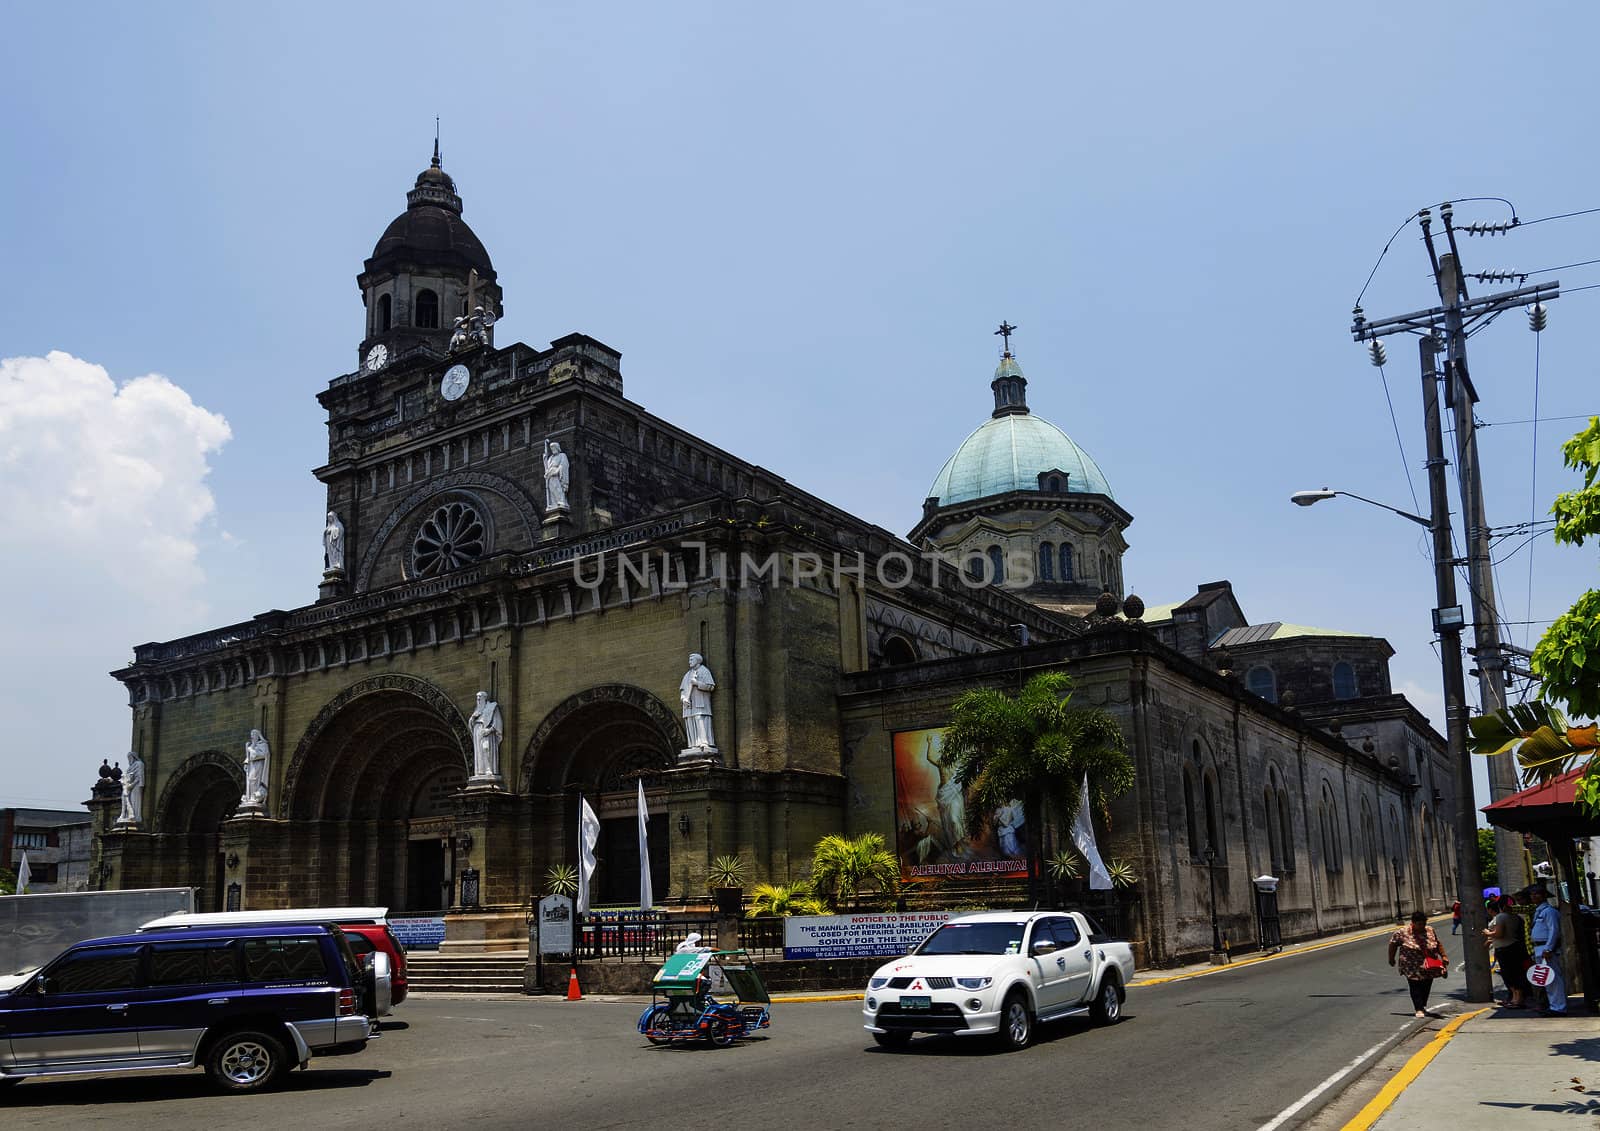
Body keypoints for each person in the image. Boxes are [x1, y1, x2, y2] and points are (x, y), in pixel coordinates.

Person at [1387, 911, 1448, 1018]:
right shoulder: (1402, 932)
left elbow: (1438, 943)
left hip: (1429, 963)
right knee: (1415, 985)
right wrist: (1391, 958)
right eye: (1419, 924)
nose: (1422, 926)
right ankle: (1418, 1008)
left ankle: (1422, 1005)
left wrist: (1443, 956)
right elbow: (1393, 944)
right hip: (1411, 964)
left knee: (1426, 984)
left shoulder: (1430, 930)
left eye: (1423, 924)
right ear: (1413, 923)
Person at [1524, 883, 1567, 1016]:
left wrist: (1549, 948)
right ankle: (1554, 1005)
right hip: (1539, 948)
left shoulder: (1549, 911)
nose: (1534, 896)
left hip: (1546, 949)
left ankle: (1559, 1007)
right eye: (1532, 894)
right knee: (1547, 980)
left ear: (1543, 896)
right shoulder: (1539, 911)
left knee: (1553, 979)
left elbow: (1554, 931)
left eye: (1537, 894)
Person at [1483, 893, 1529, 1009]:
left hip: (1505, 949)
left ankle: (1517, 999)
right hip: (1514, 947)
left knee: (1510, 974)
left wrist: (1488, 933)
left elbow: (1499, 934)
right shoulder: (1516, 917)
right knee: (1516, 973)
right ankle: (1515, 998)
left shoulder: (1501, 917)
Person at [679, 653, 716, 750]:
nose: (689, 662)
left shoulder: (704, 671)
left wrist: (697, 683)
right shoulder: (687, 674)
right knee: (690, 721)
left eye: (691, 660)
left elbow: (710, 686)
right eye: (689, 660)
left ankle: (704, 742)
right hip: (689, 704)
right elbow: (683, 690)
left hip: (700, 702)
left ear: (698, 660)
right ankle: (693, 744)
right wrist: (683, 698)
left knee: (700, 719)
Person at [468, 690, 504, 779]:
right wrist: (473, 718)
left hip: (487, 731)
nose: (478, 700)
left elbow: (497, 722)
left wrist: (489, 730)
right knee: (479, 752)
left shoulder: (492, 707)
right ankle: (480, 771)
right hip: (477, 731)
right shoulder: (477, 710)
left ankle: (489, 768)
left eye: (480, 697)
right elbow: (470, 723)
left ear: (485, 698)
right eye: (477, 698)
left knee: (486, 748)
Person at [242, 729, 270, 808]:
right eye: (251, 736)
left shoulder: (263, 744)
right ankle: (250, 797)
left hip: (258, 765)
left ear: (258, 736)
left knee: (254, 780)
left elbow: (265, 755)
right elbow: (248, 757)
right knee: (250, 780)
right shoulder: (251, 745)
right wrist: (246, 763)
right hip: (252, 765)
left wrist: (251, 749)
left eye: (254, 735)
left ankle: (255, 797)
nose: (252, 737)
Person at [543, 439, 571, 512]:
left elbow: (564, 465)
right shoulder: (550, 458)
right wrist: (545, 459)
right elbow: (547, 467)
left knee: (558, 488)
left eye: (554, 448)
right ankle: (553, 503)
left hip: (557, 475)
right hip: (550, 476)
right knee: (552, 489)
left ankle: (561, 502)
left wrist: (557, 471)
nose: (552, 450)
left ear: (557, 448)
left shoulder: (562, 455)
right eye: (551, 448)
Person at [118, 751, 145, 825]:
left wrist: (131, 785)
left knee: (134, 801)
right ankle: (126, 815)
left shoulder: (139, 764)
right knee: (125, 798)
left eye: (130, 757)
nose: (129, 759)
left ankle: (135, 816)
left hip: (136, 786)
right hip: (129, 786)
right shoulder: (130, 767)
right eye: (128, 758)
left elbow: (139, 777)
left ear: (133, 757)